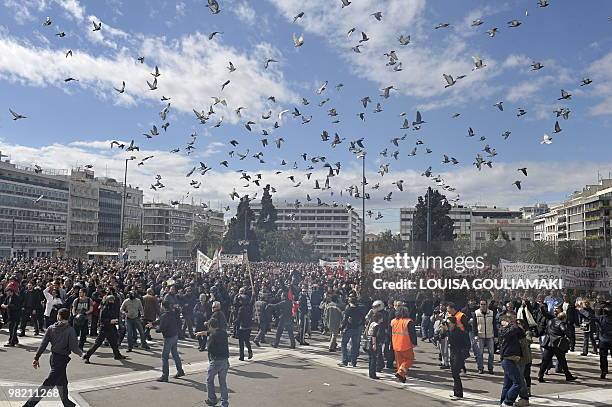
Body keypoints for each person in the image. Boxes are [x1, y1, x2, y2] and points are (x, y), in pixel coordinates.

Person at [24, 308, 81, 407]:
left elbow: (43, 344)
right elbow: (74, 347)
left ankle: (67, 403)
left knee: (62, 382)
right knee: (48, 384)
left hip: (53, 358)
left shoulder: (51, 328)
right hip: (62, 360)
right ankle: (29, 405)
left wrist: (36, 357)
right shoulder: (70, 330)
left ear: (59, 316)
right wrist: (82, 354)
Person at [147, 300, 185, 382]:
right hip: (175, 335)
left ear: (163, 306)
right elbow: (160, 320)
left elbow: (161, 328)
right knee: (175, 354)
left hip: (169, 337)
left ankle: (165, 375)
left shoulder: (165, 315)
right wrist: (153, 323)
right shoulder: (172, 312)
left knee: (164, 357)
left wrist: (153, 328)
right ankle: (180, 371)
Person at [82, 295, 126, 363]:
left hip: (111, 328)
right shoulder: (104, 308)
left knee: (114, 343)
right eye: (111, 300)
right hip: (104, 329)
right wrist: (110, 321)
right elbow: (102, 320)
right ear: (108, 301)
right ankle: (87, 356)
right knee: (97, 344)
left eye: (113, 300)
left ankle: (117, 355)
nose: (112, 302)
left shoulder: (112, 308)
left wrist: (114, 321)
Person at [538, 307, 576, 383]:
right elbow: (564, 330)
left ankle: (540, 375)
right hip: (557, 344)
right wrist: (569, 336)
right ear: (564, 318)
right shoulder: (561, 323)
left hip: (548, 343)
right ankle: (568, 376)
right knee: (562, 360)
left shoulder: (551, 321)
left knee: (545, 360)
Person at [198, 318, 230, 407]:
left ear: (211, 326)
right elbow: (212, 333)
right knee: (222, 382)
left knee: (209, 380)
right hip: (225, 360)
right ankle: (224, 402)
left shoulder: (213, 336)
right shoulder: (223, 333)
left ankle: (212, 399)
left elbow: (210, 349)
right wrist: (203, 333)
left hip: (216, 361)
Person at [499, 313, 524, 407]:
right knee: (518, 383)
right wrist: (513, 325)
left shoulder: (514, 329)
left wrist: (519, 326)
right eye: (511, 320)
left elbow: (522, 335)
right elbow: (508, 333)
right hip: (507, 359)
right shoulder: (503, 329)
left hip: (513, 359)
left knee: (507, 384)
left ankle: (503, 402)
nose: (514, 321)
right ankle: (508, 401)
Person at [390, 306, 417, 383]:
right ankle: (401, 372)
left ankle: (401, 377)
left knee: (400, 362)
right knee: (409, 359)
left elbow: (390, 333)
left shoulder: (393, 321)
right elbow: (412, 334)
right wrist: (414, 342)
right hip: (405, 344)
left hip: (395, 344)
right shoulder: (408, 322)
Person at [447, 316, 470, 401]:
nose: (448, 325)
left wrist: (447, 331)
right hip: (453, 353)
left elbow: (453, 341)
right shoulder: (451, 331)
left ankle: (459, 393)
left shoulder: (458, 332)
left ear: (454, 324)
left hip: (459, 354)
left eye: (449, 323)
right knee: (454, 373)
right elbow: (441, 337)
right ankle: (456, 392)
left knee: (455, 373)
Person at [473, 299, 497, 374]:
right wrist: (475, 335)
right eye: (481, 304)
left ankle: (490, 368)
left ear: (487, 305)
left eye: (484, 304)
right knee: (480, 353)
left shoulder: (492, 313)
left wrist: (496, 336)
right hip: (480, 336)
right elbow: (474, 325)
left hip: (490, 335)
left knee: (491, 353)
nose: (483, 306)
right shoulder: (476, 313)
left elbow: (494, 325)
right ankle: (480, 368)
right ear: (479, 305)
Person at [339, 296, 363, 367]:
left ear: (349, 302)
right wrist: (358, 324)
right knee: (354, 346)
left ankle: (345, 360)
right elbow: (363, 319)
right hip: (356, 329)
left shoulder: (348, 310)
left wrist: (341, 328)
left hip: (348, 329)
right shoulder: (359, 310)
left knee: (343, 344)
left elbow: (345, 321)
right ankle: (353, 361)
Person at [594, 305, 612, 379]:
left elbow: (591, 316)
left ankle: (604, 371)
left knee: (603, 357)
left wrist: (581, 309)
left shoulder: (601, 318)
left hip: (603, 340)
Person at [366, 311, 384, 379]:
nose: (382, 319)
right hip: (374, 342)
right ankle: (373, 374)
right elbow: (374, 335)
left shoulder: (372, 323)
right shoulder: (377, 326)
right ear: (379, 318)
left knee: (371, 358)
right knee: (373, 358)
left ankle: (371, 373)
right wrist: (374, 344)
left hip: (369, 341)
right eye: (381, 318)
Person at [236, 294, 253, 361]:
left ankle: (242, 356)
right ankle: (250, 351)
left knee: (241, 343)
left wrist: (234, 323)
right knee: (247, 341)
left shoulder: (241, 309)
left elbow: (239, 319)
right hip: (249, 326)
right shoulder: (249, 307)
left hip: (242, 327)